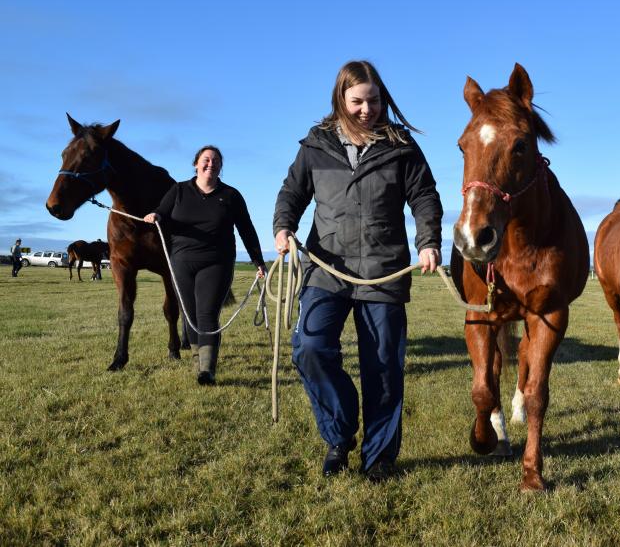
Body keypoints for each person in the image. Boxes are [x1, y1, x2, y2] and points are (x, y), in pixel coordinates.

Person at [273, 60, 442, 481]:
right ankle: (339, 434)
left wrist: (429, 242)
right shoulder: (316, 144)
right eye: (358, 101)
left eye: (374, 100)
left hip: (383, 269)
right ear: (340, 99)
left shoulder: (400, 145)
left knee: (383, 365)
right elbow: (292, 192)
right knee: (309, 348)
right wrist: (282, 227)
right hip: (326, 267)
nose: (367, 109)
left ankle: (380, 457)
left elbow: (424, 196)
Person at [144, 145, 266, 385]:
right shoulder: (178, 191)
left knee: (206, 313)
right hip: (181, 263)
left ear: (221, 167)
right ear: (196, 164)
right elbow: (161, 212)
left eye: (216, 161)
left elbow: (247, 230)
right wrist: (154, 216)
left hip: (217, 263)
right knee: (190, 316)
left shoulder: (231, 195)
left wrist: (258, 261)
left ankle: (207, 370)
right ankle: (198, 361)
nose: (211, 164)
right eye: (206, 159)